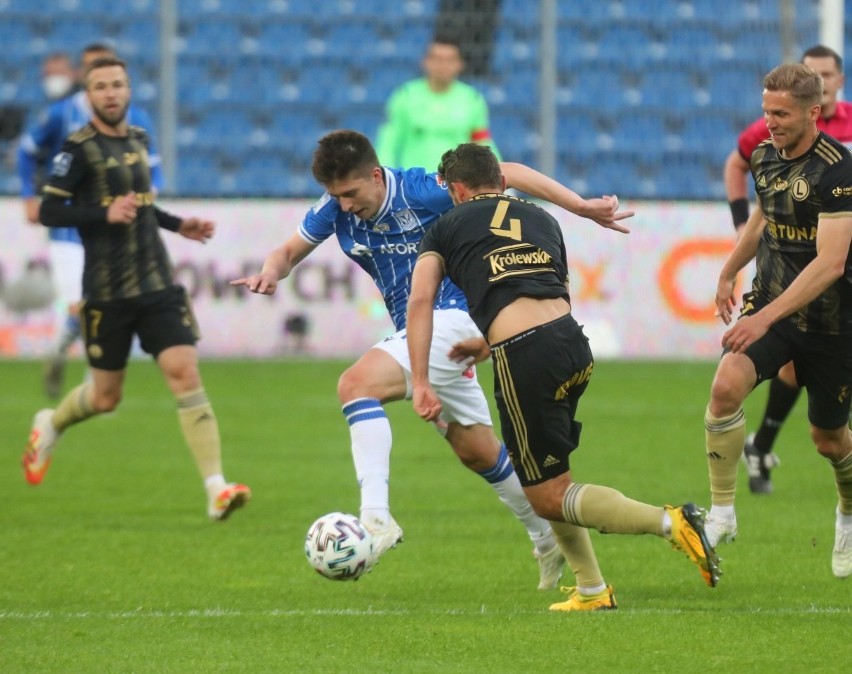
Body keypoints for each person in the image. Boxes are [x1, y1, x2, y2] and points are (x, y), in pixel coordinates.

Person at [231, 129, 629, 590]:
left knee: (355, 386)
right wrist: (270, 272)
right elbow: (287, 252)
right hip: (420, 335)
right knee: (476, 450)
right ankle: (547, 540)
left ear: (376, 176)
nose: (343, 205)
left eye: (351, 194)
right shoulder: (332, 210)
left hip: (457, 318)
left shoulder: (422, 189)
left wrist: (581, 207)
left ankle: (375, 517)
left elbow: (508, 173)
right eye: (335, 196)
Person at [406, 143, 721, 611]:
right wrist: (486, 344)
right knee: (551, 477)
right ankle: (592, 589)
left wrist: (420, 380)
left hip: (526, 356)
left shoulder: (444, 227)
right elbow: (549, 297)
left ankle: (673, 522)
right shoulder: (544, 221)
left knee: (547, 496)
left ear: (455, 189)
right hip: (572, 345)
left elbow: (419, 302)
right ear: (502, 182)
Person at [21, 55, 250, 521]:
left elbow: (142, 205)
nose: (110, 93)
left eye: (118, 84)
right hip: (107, 291)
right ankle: (51, 424)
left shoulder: (141, 140)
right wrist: (101, 214)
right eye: (101, 86)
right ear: (89, 96)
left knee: (185, 373)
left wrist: (177, 223)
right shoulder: (76, 149)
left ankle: (216, 487)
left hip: (157, 282)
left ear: (129, 91)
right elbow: (48, 211)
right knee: (106, 398)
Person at [704, 63, 852, 578]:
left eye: (781, 114)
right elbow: (761, 219)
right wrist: (729, 271)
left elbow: (831, 264)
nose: (770, 123)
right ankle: (722, 512)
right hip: (772, 304)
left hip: (832, 321)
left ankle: (848, 512)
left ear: (813, 113)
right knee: (726, 387)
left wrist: (762, 317)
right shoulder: (765, 157)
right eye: (766, 112)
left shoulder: (838, 170)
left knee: (827, 440)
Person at [17, 43, 165, 400]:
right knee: (79, 305)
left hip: (115, 230)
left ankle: (73, 364)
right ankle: (83, 370)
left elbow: (155, 170)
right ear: (84, 78)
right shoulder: (61, 114)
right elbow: (26, 150)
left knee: (106, 302)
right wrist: (28, 195)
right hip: (70, 226)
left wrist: (149, 196)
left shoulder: (138, 119)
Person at [375, 36, 499, 171]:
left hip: (456, 184)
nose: (443, 65)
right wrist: (384, 174)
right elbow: (389, 141)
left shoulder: (471, 99)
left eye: (450, 60)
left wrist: (499, 172)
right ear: (425, 62)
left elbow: (483, 142)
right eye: (437, 59)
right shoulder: (405, 96)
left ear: (460, 64)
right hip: (415, 185)